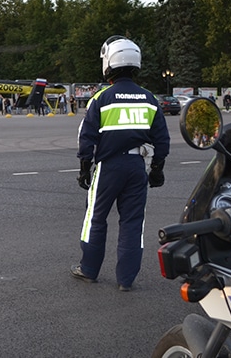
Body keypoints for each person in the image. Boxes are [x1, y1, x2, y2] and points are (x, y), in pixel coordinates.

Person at [72, 36, 170, 292]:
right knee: (132, 222)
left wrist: (84, 167)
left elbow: (87, 136)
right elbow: (162, 138)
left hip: (108, 167)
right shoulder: (150, 99)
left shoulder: (101, 98)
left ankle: (89, 269)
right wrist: (157, 169)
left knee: (95, 218)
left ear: (109, 63)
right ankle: (126, 280)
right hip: (138, 167)